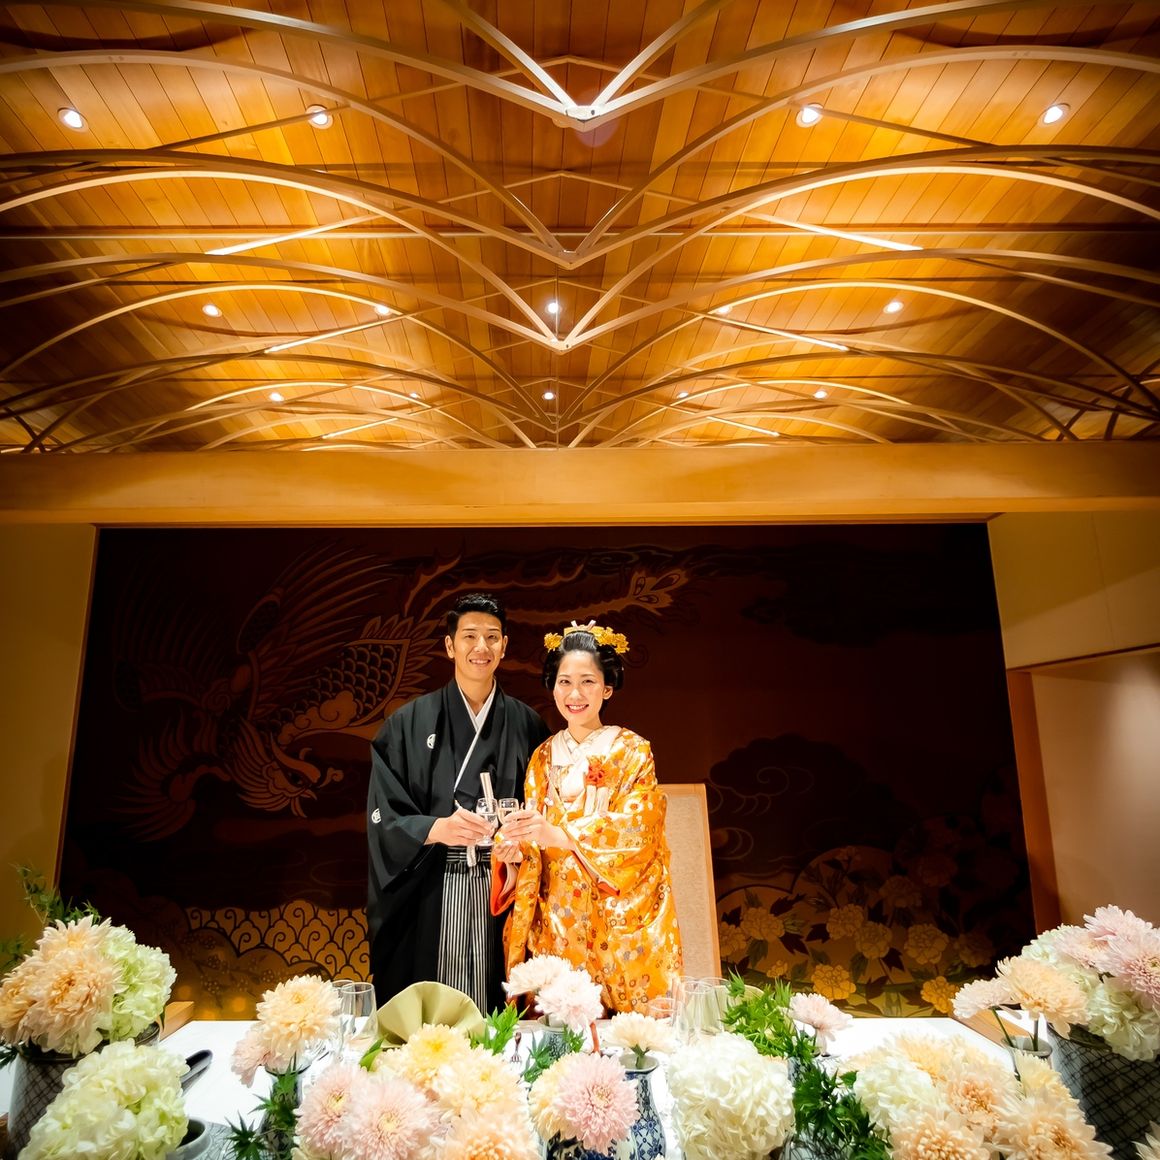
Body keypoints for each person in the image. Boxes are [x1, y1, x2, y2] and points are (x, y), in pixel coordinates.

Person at [367, 592, 550, 1012]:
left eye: (492, 636)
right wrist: (437, 828)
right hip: (432, 885)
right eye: (469, 636)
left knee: (499, 1010)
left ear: (504, 645)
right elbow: (384, 815)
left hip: (502, 887)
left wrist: (521, 846)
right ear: (450, 645)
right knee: (435, 1016)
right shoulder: (407, 724)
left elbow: (546, 812)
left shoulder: (528, 725)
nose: (481, 647)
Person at [494, 622, 683, 1013]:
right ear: (552, 687)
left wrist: (562, 836)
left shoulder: (632, 750)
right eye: (564, 682)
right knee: (559, 1022)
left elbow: (640, 827)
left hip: (611, 915)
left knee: (624, 1033)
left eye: (588, 682)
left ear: (607, 688)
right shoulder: (543, 757)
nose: (574, 694)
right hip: (556, 916)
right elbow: (534, 832)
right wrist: (515, 852)